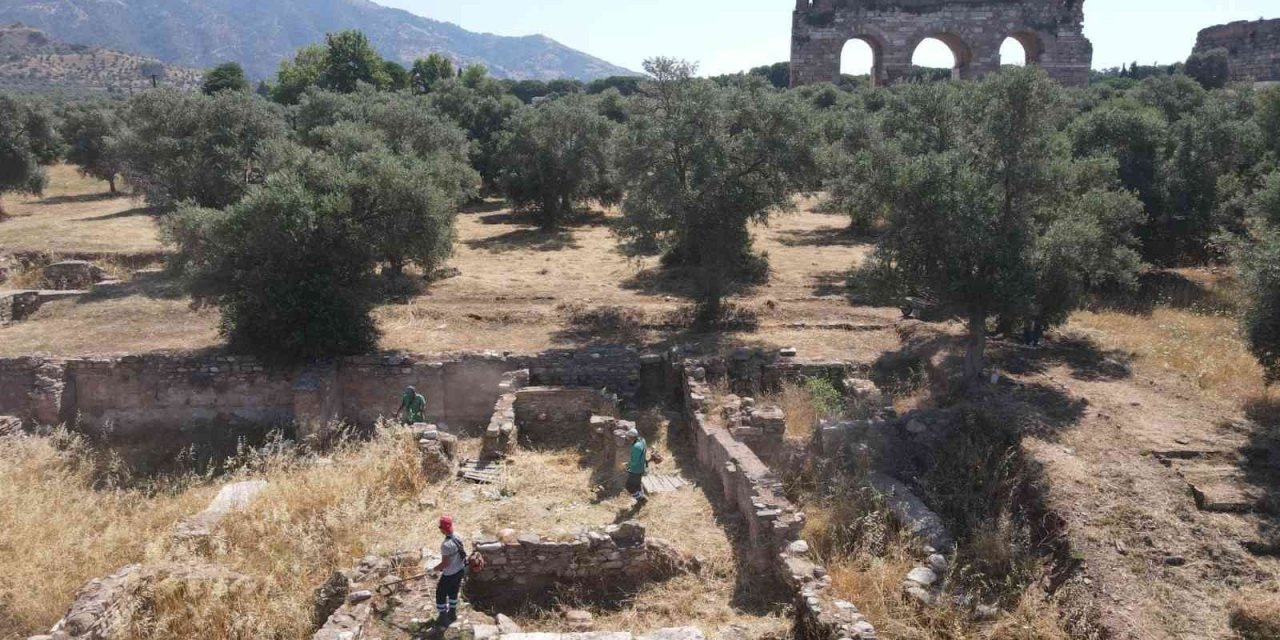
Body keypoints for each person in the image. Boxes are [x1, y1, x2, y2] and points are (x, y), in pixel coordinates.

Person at [432, 515, 466, 627]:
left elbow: (445, 563)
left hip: (449, 574)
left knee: (440, 594)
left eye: (440, 527)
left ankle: (443, 616)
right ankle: (452, 612)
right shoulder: (459, 536)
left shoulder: (446, 545)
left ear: (443, 529)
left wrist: (432, 569)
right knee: (453, 591)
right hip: (460, 570)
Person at [624, 428, 648, 505]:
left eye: (628, 436)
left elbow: (634, 461)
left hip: (636, 469)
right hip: (641, 467)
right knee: (637, 485)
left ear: (631, 437)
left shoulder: (636, 447)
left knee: (629, 486)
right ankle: (641, 498)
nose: (626, 437)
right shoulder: (642, 440)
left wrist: (626, 465)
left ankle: (641, 499)